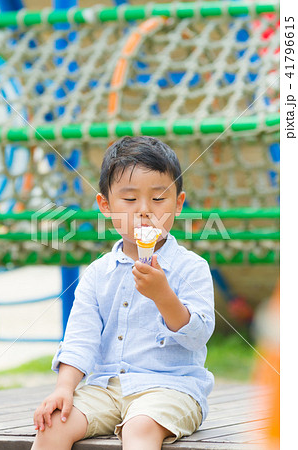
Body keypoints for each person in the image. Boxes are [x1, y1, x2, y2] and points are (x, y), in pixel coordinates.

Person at [32, 136, 215, 450]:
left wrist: (163, 295)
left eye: (159, 199)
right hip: (104, 388)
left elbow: (198, 336)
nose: (144, 210)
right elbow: (81, 339)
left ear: (179, 203)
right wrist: (64, 388)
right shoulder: (98, 274)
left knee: (140, 427)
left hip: (170, 388)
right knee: (52, 426)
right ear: (106, 206)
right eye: (129, 200)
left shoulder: (191, 268)